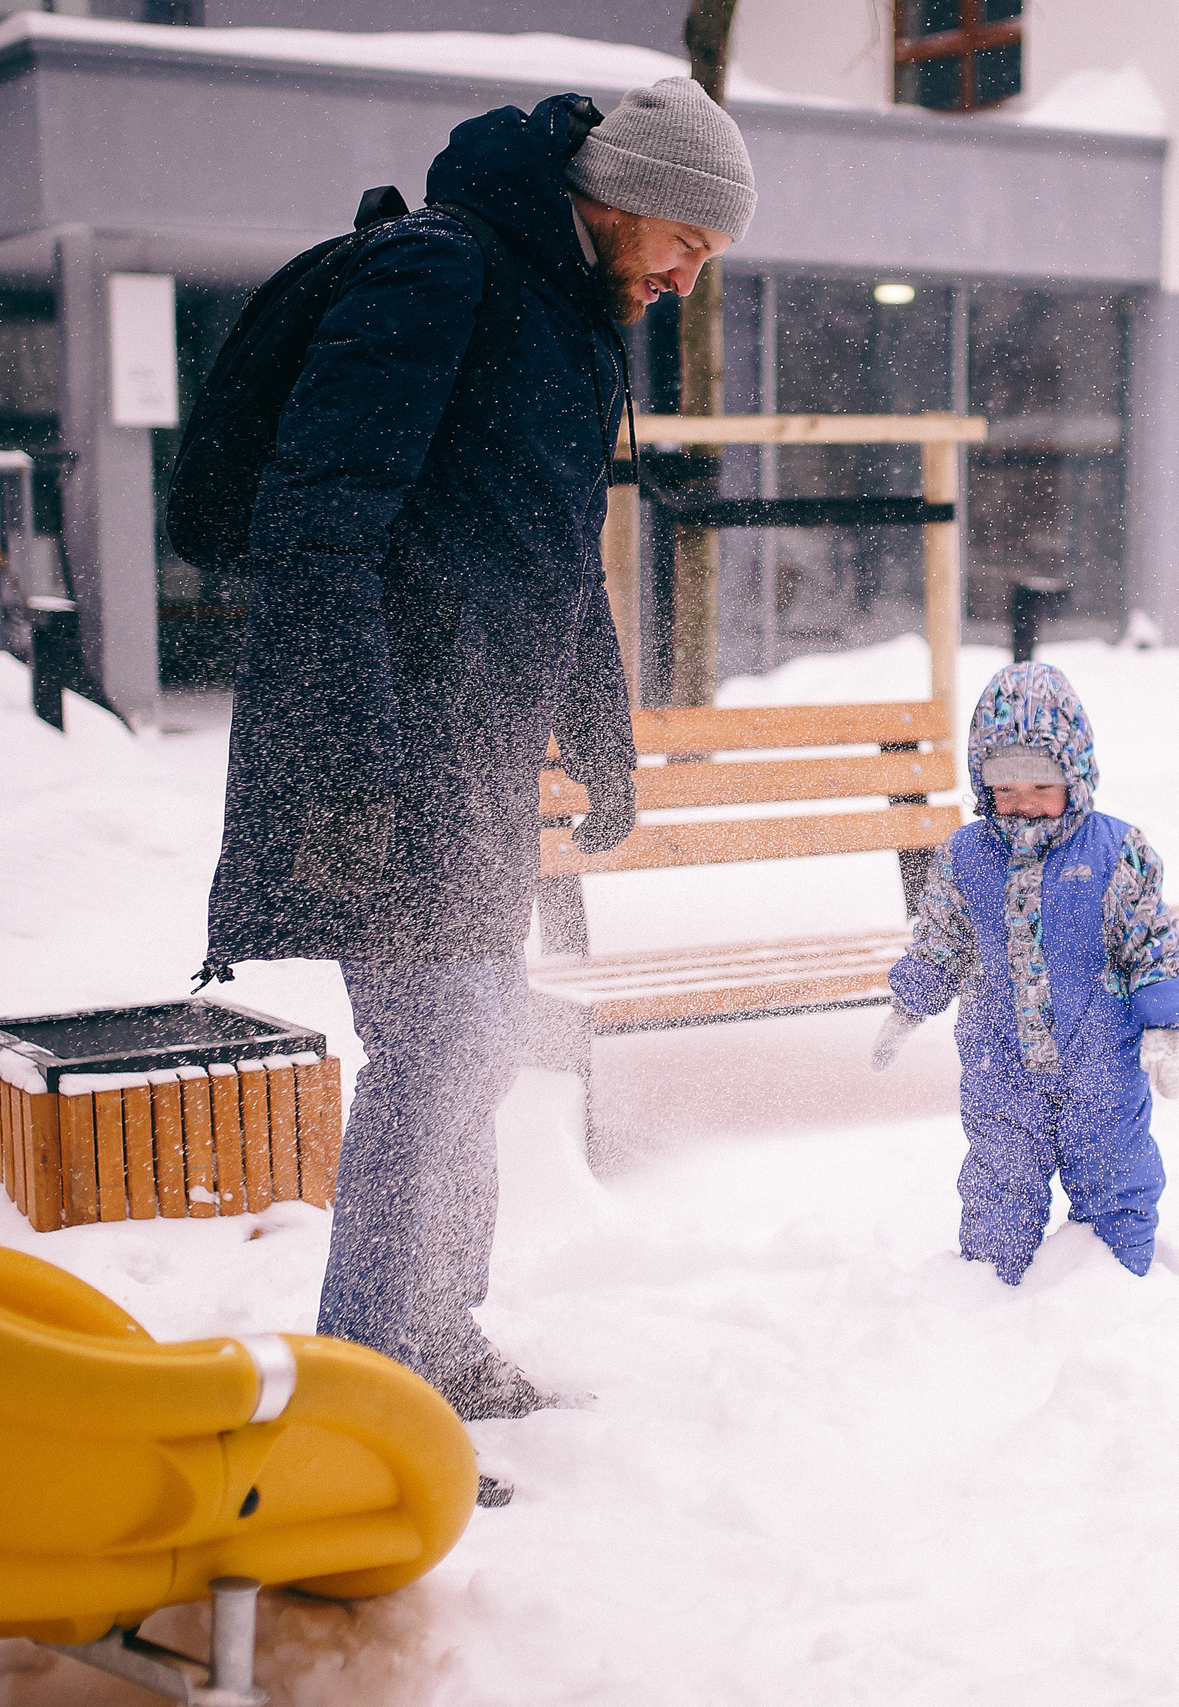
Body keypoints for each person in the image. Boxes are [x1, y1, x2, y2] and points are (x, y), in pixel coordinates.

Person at [198, 81, 753, 1492]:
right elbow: (317, 517)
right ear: (620, 195)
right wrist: (342, 753)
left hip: (479, 758)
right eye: (689, 240)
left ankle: (436, 1338)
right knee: (435, 1056)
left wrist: (601, 731)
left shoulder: (573, 330)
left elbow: (556, 556)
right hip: (386, 751)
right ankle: (362, 1406)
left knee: (478, 1050)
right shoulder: (441, 271)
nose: (692, 275)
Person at [873, 662, 1179, 1283]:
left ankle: (1117, 1286)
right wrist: (911, 1001)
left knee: (1115, 1175)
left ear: (1075, 777)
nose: (1023, 806)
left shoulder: (1113, 853)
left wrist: (1166, 1024)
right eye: (1005, 790)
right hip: (1000, 1066)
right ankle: (991, 1293)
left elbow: (1150, 939)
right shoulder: (967, 856)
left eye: (1040, 788)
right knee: (1000, 1182)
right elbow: (942, 939)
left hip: (1099, 1060)